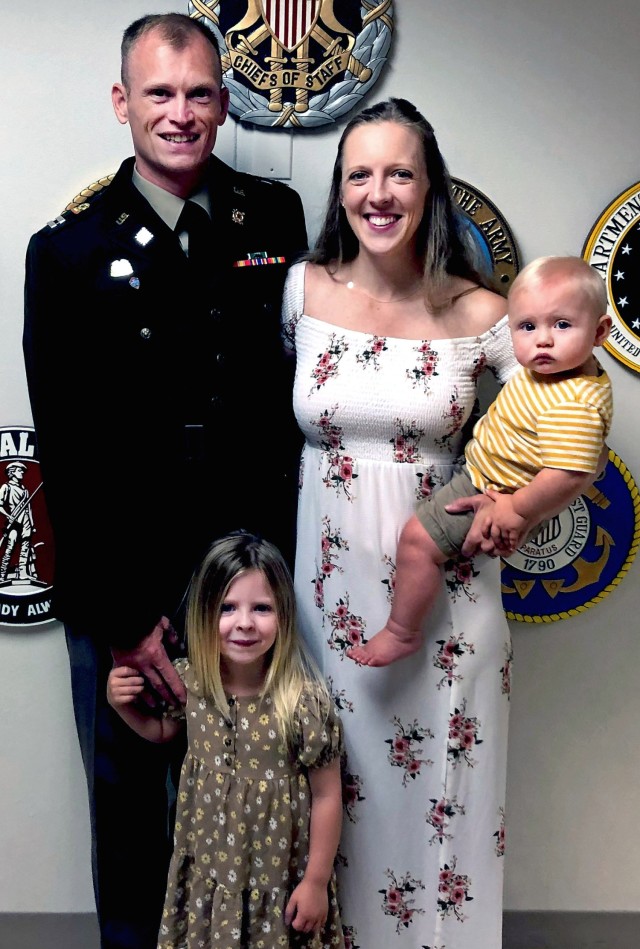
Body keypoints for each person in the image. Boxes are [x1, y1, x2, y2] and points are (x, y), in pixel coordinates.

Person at [23, 14, 306, 949]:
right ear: (122, 103)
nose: (179, 113)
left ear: (222, 103)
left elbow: (283, 407)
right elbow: (65, 451)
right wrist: (124, 618)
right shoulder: (63, 251)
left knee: (255, 805)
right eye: (159, 93)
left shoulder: (273, 217)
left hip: (243, 575)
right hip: (122, 580)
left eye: (197, 93)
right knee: (135, 812)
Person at [282, 95, 525, 949]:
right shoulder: (300, 290)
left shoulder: (483, 314)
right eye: (359, 173)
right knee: (335, 794)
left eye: (399, 172)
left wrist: (517, 504)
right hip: (326, 596)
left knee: (443, 809)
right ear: (340, 190)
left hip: (447, 605)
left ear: (430, 187)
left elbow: (573, 414)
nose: (378, 192)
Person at [350, 255, 613, 667]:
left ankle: (402, 632)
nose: (542, 340)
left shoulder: (573, 402)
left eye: (562, 325)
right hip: (484, 476)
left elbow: (569, 474)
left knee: (417, 543)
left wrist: (515, 509)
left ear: (599, 332)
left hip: (493, 491)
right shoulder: (555, 373)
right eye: (527, 327)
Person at [107, 531, 345, 949]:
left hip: (277, 883)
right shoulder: (192, 684)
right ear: (204, 614)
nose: (245, 623)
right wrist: (122, 704)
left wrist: (316, 881)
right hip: (210, 872)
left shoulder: (303, 704)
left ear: (284, 615)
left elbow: (327, 796)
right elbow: (161, 732)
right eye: (228, 608)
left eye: (262, 608)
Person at [0, 462, 36, 583]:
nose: (22, 473)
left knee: (25, 547)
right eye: (19, 470)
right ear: (12, 472)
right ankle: (2, 574)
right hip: (14, 522)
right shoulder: (6, 487)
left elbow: (28, 509)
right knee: (10, 548)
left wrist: (32, 524)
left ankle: (23, 573)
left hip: (25, 522)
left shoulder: (25, 491)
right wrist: (8, 516)